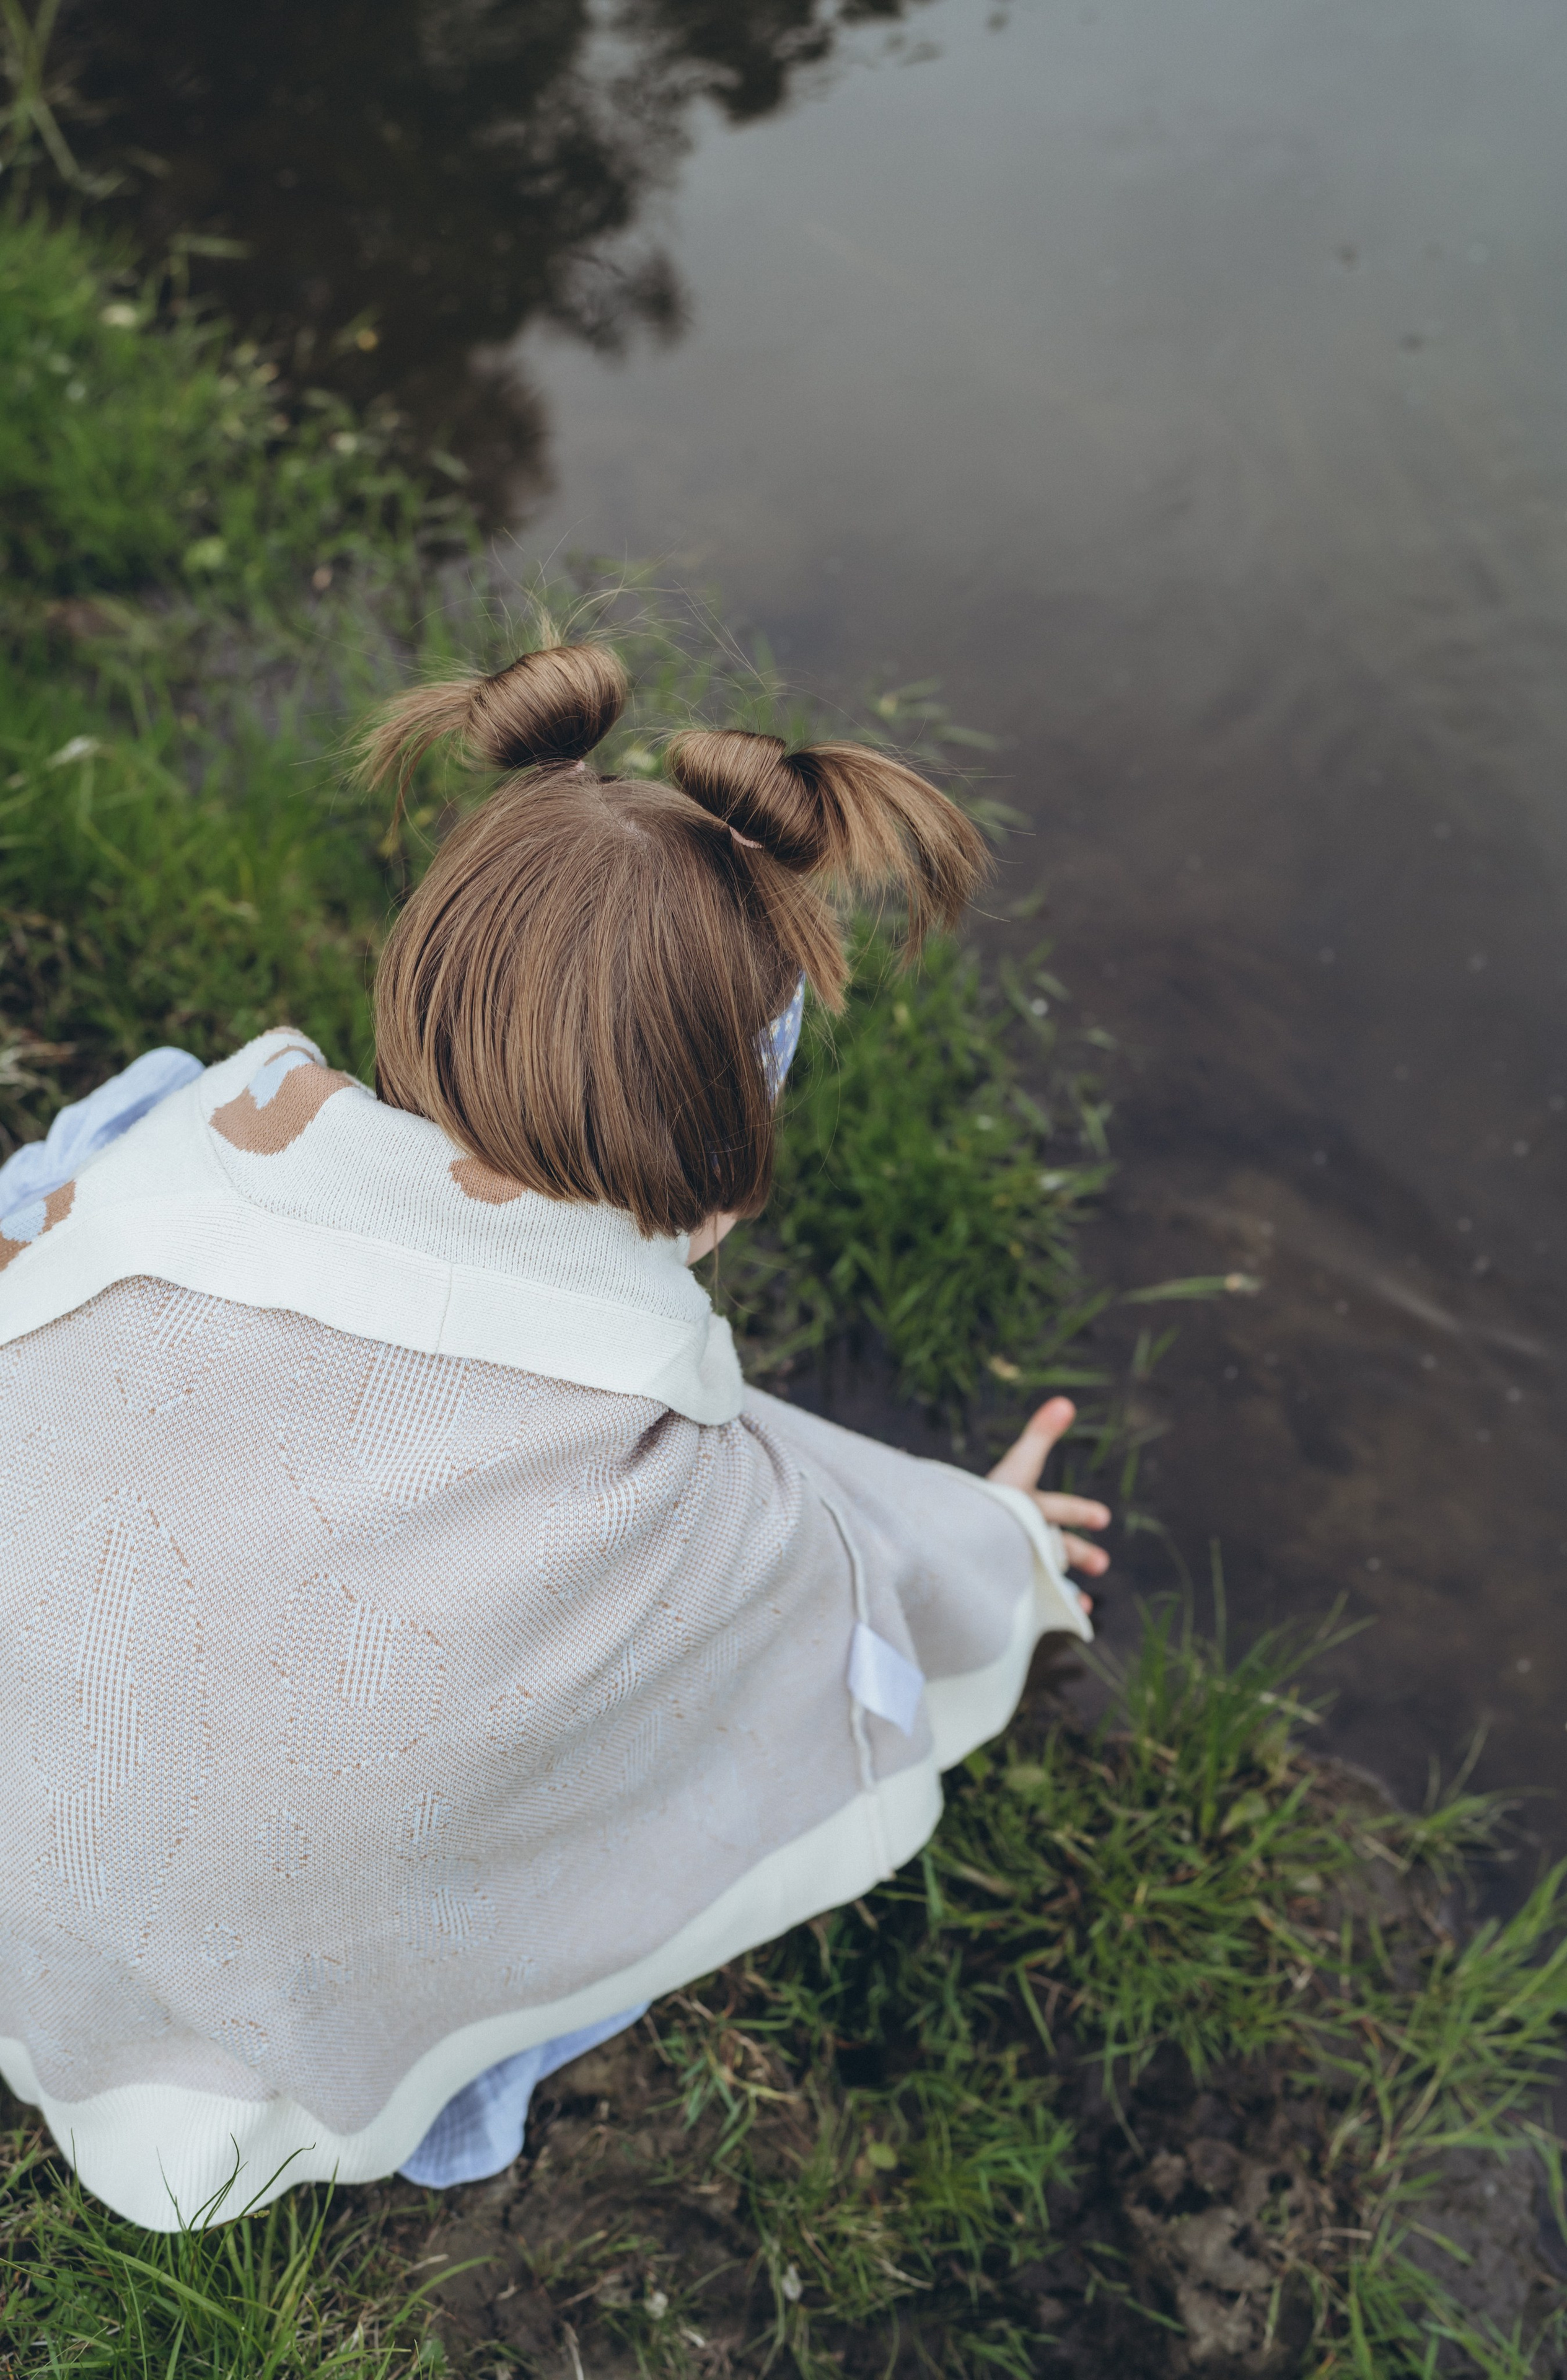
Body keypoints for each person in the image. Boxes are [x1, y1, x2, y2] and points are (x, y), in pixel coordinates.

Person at [0, 642, 1109, 2229]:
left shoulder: (178, 1162)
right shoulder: (675, 1506)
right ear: (725, 1170)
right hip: (205, 2024)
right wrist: (993, 1546)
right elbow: (840, 1591)